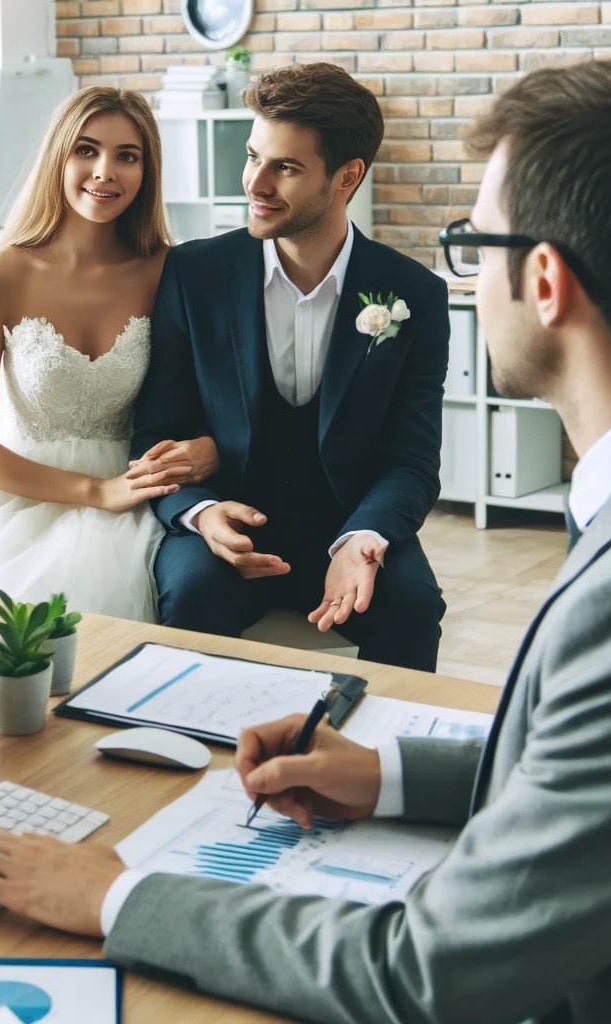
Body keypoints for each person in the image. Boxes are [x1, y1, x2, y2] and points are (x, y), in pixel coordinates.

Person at [0, 56, 611, 1022]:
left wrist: (117, 895)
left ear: (542, 280)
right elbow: (598, 777)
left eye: (477, 240)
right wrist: (385, 772)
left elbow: (423, 972)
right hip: (217, 520)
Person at [129, 61, 449, 671]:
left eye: (286, 167)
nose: (256, 183)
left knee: (413, 604)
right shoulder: (193, 275)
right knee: (191, 591)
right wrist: (200, 511)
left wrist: (364, 539)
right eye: (254, 157)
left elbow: (411, 459)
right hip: (227, 528)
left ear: (347, 177)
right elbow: (155, 434)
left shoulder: (415, 296)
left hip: (349, 522)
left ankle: (379, 760)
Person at [0, 86, 215, 621]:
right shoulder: (2, 273)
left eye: (127, 156)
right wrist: (95, 491)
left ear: (147, 172)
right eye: (86, 149)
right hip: (24, 497)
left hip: (138, 492)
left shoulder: (168, 271)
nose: (105, 171)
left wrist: (207, 447)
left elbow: (210, 396)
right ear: (58, 155)